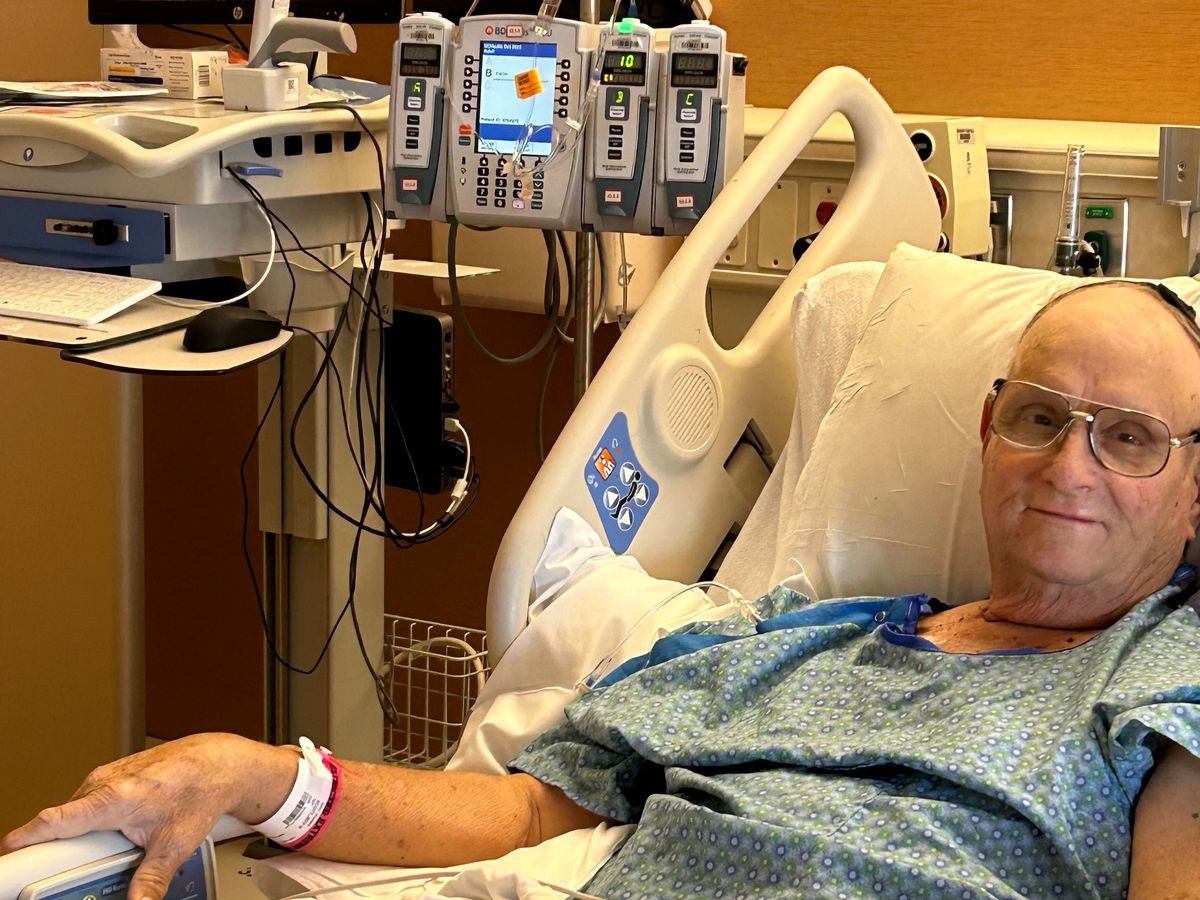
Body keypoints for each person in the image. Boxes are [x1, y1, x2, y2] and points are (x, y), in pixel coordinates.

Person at [6, 280, 1200, 899]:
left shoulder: (1164, 677)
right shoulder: (790, 643)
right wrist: (257, 774)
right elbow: (532, 813)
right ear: (988, 430)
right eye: (1040, 416)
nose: (1068, 466)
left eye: (1130, 437)